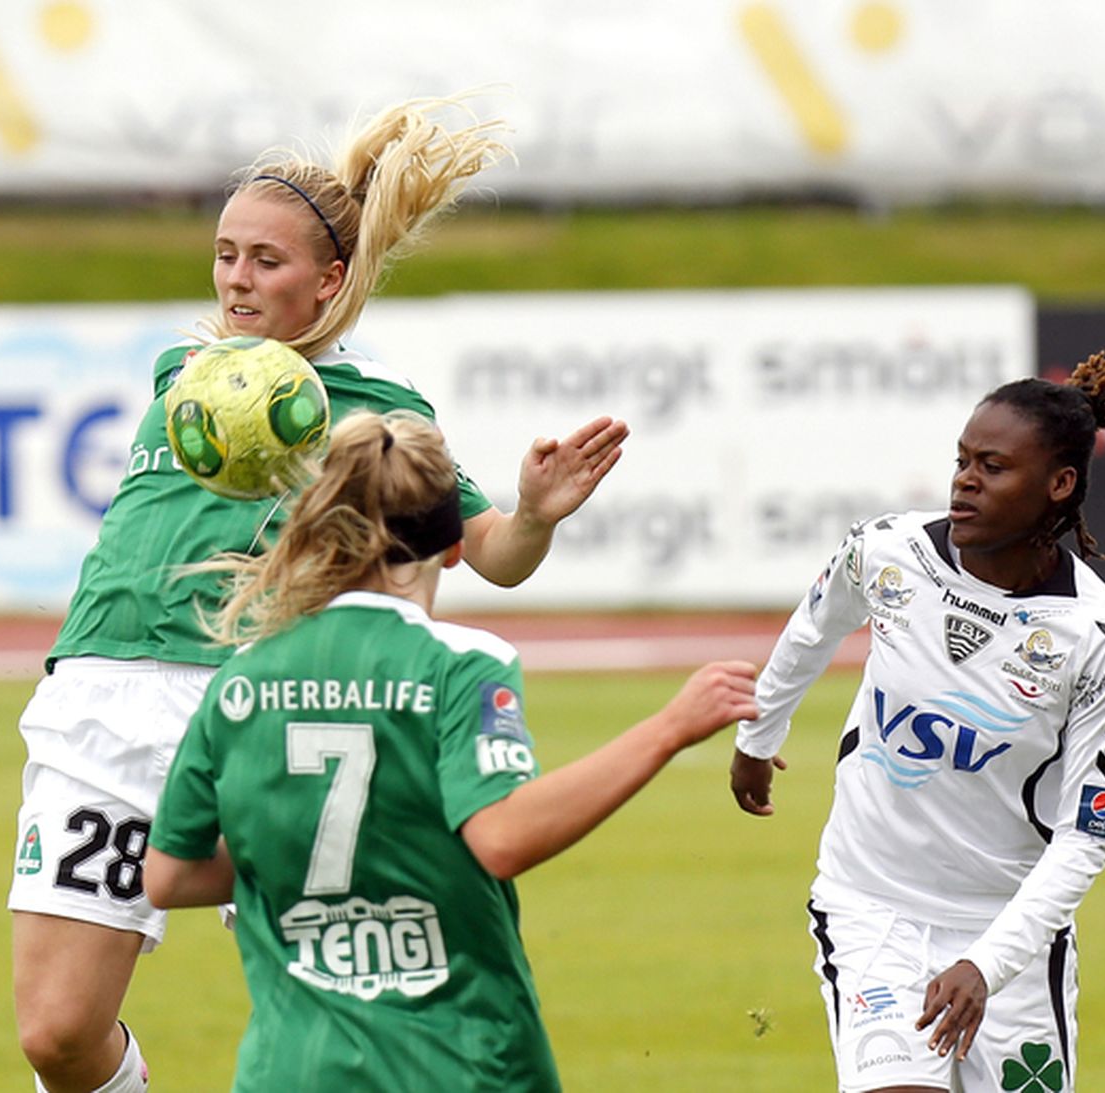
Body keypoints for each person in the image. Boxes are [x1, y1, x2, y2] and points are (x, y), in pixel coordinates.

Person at [9, 96, 631, 1093]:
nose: (236, 279)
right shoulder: (185, 368)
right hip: (96, 699)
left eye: (265, 259)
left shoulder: (380, 406)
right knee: (55, 1034)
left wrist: (537, 512)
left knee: (338, 1006)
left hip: (251, 703)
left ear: (328, 279)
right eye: (225, 254)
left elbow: (487, 554)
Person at [142, 409, 758, 1089]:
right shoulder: (462, 664)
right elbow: (501, 836)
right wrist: (668, 727)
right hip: (458, 1062)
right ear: (455, 545)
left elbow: (168, 877)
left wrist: (313, 854)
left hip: (292, 1067)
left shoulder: (242, 678)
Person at [728, 354, 1105, 1092]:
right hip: (871, 906)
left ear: (1059, 485)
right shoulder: (886, 552)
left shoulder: (1096, 637)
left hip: (1005, 931)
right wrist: (757, 739)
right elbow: (812, 629)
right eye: (961, 460)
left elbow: (1087, 837)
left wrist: (985, 963)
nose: (965, 479)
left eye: (992, 465)